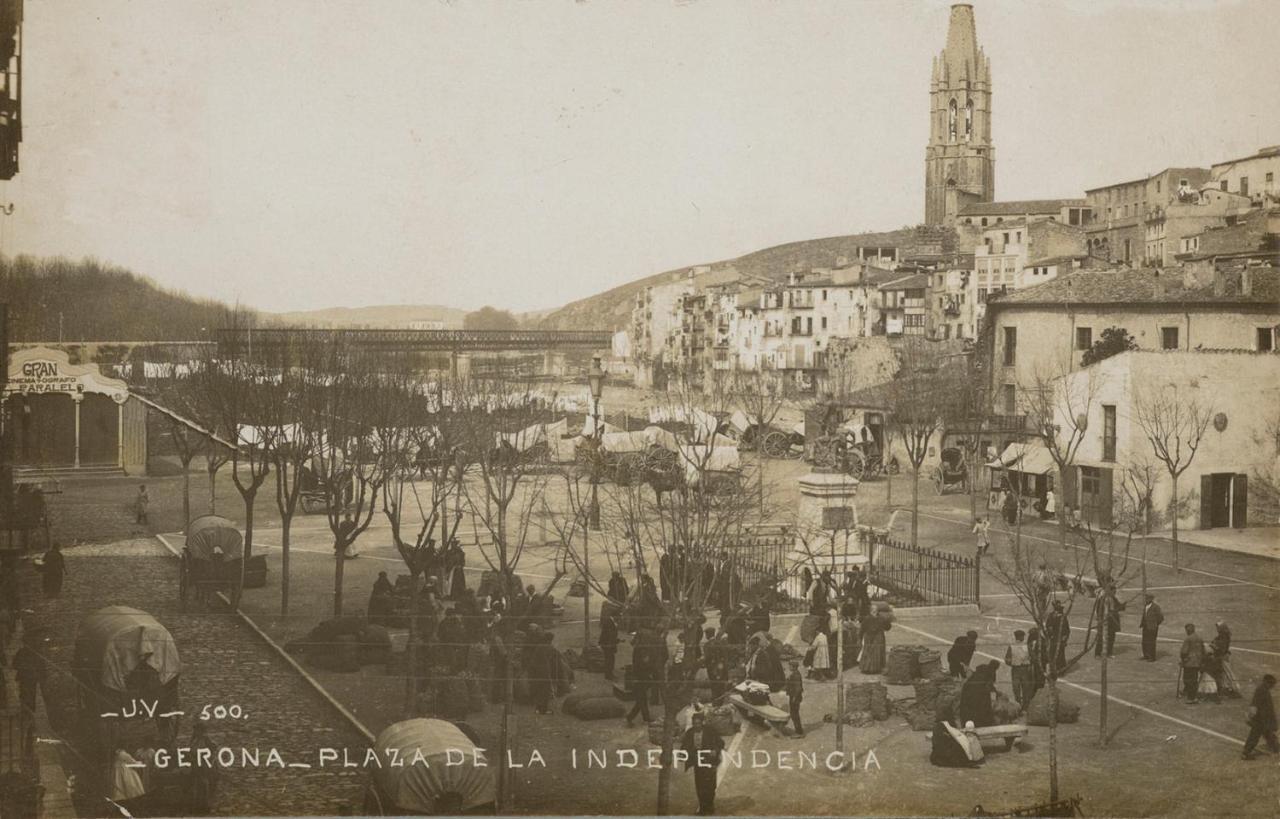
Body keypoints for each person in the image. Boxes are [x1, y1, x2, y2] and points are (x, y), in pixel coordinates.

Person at [681, 711, 724, 815]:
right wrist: (684, 754)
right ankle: (703, 806)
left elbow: (720, 742)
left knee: (710, 785)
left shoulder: (710, 731)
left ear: (702, 723)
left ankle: (710, 805)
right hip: (698, 761)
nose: (696, 726)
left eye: (698, 723)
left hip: (710, 761)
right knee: (700, 785)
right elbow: (684, 746)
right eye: (694, 723)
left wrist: (715, 750)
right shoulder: (690, 733)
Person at [1242, 674, 1278, 760]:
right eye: (1272, 684)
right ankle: (1246, 753)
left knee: (1268, 734)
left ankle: (1276, 748)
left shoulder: (1263, 689)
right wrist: (1251, 716)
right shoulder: (1261, 690)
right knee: (1255, 736)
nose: (1273, 686)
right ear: (1268, 683)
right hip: (1260, 719)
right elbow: (1254, 705)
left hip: (1264, 719)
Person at [625, 630, 655, 726]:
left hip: (641, 676)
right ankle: (641, 717)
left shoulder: (640, 648)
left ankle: (632, 717)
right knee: (641, 698)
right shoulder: (641, 649)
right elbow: (641, 664)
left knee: (641, 699)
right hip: (641, 677)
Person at [957, 660, 999, 728]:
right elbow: (990, 685)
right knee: (982, 708)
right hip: (980, 692)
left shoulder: (980, 669)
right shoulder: (991, 672)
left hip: (968, 689)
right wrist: (995, 692)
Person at [1005, 630, 1033, 710]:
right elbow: (1033, 657)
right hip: (1024, 669)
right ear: (1022, 637)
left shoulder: (1012, 646)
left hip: (1016, 669)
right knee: (1025, 688)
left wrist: (1013, 663)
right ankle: (1025, 706)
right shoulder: (1026, 646)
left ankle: (1019, 705)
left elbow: (1007, 659)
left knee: (1017, 688)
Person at [859, 607, 892, 674]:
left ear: (877, 611)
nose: (874, 612)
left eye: (875, 610)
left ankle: (875, 668)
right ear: (870, 611)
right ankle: (867, 668)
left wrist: (888, 621)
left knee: (876, 652)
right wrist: (860, 637)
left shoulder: (881, 618)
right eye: (873, 610)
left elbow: (888, 627)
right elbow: (862, 629)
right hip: (869, 637)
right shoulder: (867, 619)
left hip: (878, 637)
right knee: (870, 651)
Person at [1179, 623, 1205, 704]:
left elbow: (1184, 652)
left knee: (1188, 679)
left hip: (1189, 663)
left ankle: (1191, 697)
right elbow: (1203, 651)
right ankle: (1192, 695)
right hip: (1197, 662)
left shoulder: (1188, 639)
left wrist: (1182, 660)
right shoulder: (1199, 638)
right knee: (1194, 679)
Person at [1046, 600, 1070, 675]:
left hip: (1060, 638)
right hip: (1054, 638)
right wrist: (1051, 635)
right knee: (1053, 653)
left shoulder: (1063, 617)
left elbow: (1067, 629)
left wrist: (1065, 638)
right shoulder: (1051, 616)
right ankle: (1054, 670)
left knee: (1060, 654)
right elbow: (1048, 626)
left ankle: (1061, 670)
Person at [1139, 593, 1163, 661]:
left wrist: (1155, 624)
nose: (1146, 599)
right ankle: (1146, 655)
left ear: (1151, 599)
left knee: (1151, 642)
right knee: (1144, 641)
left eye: (1148, 598)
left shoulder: (1156, 607)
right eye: (1146, 598)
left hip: (1152, 627)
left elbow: (1160, 617)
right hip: (1145, 626)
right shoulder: (1146, 606)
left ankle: (1152, 657)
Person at [599, 605, 620, 681]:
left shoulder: (610, 621)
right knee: (610, 659)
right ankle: (609, 674)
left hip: (607, 643)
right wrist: (614, 642)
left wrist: (617, 640)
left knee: (609, 659)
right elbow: (610, 636)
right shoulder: (610, 623)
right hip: (608, 644)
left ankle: (609, 674)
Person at [785, 658, 805, 737]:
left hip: (795, 697)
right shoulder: (795, 674)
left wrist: (794, 698)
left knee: (794, 714)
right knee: (794, 713)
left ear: (793, 667)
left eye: (790, 666)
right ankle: (798, 730)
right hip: (794, 696)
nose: (789, 667)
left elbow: (798, 688)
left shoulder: (796, 675)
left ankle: (799, 732)